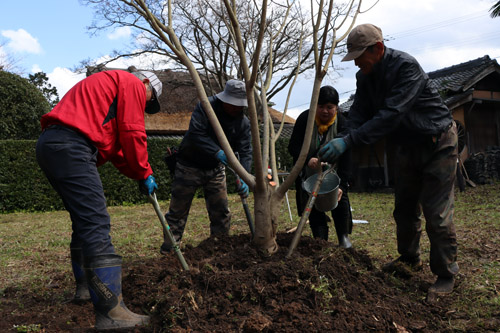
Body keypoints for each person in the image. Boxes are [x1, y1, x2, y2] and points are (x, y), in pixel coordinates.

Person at [319, 24, 459, 297]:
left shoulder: (406, 68)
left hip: (436, 142)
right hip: (406, 145)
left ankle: (445, 273)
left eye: (361, 55)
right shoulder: (365, 77)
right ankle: (409, 258)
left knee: (437, 214)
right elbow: (359, 113)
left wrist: (348, 141)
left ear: (379, 48)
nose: (357, 62)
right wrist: (343, 139)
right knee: (404, 208)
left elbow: (389, 115)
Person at [36, 69, 162, 330]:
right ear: (147, 83)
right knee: (96, 222)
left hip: (53, 144)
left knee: (84, 221)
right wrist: (146, 171)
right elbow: (132, 132)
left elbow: (118, 152)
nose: (145, 104)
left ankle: (85, 290)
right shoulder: (131, 82)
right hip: (73, 146)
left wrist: (139, 175)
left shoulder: (106, 94)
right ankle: (111, 312)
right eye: (149, 100)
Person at [160, 79, 252, 253]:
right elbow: (196, 133)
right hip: (189, 165)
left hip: (215, 170)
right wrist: (217, 151)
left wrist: (244, 175)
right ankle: (170, 251)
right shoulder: (206, 107)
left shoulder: (243, 122)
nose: (236, 109)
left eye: (240, 106)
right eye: (232, 104)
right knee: (177, 212)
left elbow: (246, 150)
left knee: (221, 213)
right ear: (224, 99)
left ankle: (219, 247)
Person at [288, 86, 353, 248]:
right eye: (321, 106)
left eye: (330, 107)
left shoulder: (343, 123)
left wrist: (342, 185)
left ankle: (343, 238)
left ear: (336, 108)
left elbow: (348, 157)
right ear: (314, 106)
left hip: (334, 175)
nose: (325, 111)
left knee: (340, 202)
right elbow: (293, 147)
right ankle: (320, 240)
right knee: (313, 207)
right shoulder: (305, 119)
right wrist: (307, 160)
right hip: (309, 175)